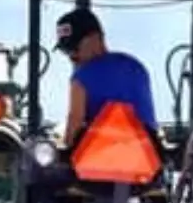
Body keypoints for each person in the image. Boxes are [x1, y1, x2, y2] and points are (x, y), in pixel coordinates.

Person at [53, 8, 157, 148]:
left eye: (75, 48)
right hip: (147, 158)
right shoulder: (136, 68)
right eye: (66, 51)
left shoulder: (80, 78)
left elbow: (73, 131)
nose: (72, 57)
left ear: (96, 37)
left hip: (99, 160)